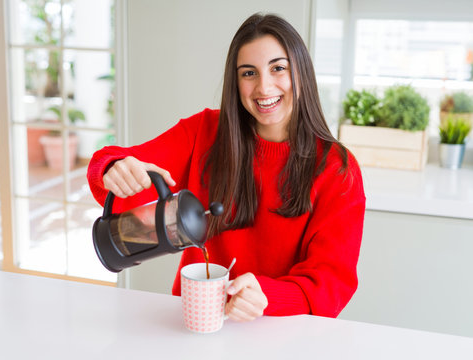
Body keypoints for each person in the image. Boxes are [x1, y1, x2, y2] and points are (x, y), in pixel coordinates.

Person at [87, 13, 365, 322]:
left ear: (301, 72)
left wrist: (267, 296)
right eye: (249, 73)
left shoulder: (338, 169)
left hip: (285, 330)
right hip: (196, 323)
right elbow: (117, 163)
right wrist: (114, 167)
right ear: (236, 81)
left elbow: (331, 283)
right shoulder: (204, 132)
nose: (264, 86)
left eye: (278, 68)